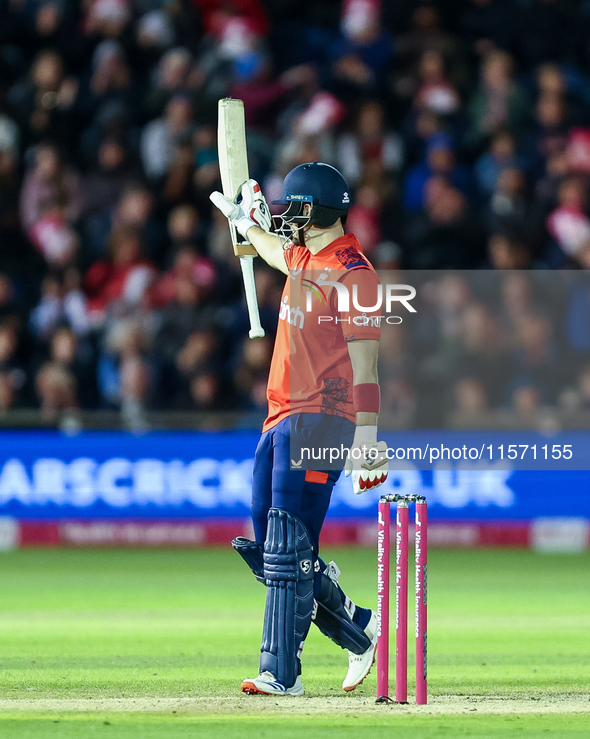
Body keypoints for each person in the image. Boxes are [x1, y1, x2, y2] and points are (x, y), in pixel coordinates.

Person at [210, 162, 389, 696]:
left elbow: (367, 366)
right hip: (280, 414)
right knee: (271, 549)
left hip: (324, 420)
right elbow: (268, 249)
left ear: (315, 209)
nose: (287, 215)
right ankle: (358, 626)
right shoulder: (303, 256)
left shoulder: (354, 273)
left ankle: (280, 672)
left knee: (288, 547)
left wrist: (367, 438)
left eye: (293, 206)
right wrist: (248, 223)